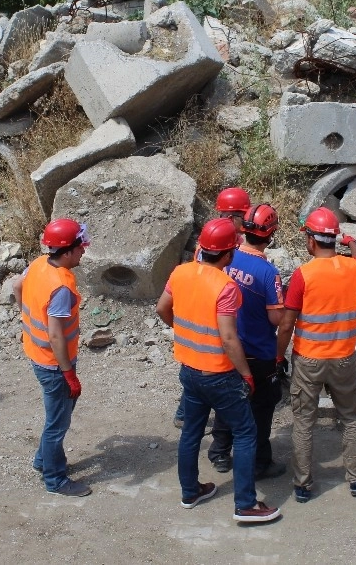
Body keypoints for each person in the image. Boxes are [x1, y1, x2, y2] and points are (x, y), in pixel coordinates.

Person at [157, 218, 280, 524]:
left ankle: (190, 491)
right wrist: (246, 374)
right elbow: (228, 338)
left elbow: (162, 308)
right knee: (247, 431)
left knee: (192, 432)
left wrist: (183, 332)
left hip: (189, 368)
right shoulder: (225, 286)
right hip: (219, 374)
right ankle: (246, 505)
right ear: (228, 254)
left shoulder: (181, 272)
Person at [276, 207, 356, 503]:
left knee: (304, 423)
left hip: (309, 360)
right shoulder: (353, 268)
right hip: (344, 358)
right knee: (350, 418)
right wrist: (350, 241)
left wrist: (279, 357)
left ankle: (303, 485)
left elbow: (287, 323)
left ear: (311, 241)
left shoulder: (304, 275)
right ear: (333, 239)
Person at [13, 218, 92, 497]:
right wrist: (68, 372)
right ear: (68, 251)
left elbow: (16, 286)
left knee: (57, 416)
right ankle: (55, 480)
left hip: (37, 354)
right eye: (80, 247)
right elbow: (57, 335)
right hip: (54, 363)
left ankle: (43, 460)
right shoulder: (60, 287)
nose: (83, 251)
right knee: (57, 423)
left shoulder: (38, 264)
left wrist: (27, 315)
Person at [207, 204, 287, 480]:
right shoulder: (268, 272)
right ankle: (259, 462)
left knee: (228, 400)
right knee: (262, 408)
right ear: (270, 235)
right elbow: (276, 320)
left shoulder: (227, 259)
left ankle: (219, 451)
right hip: (257, 352)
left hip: (226, 348)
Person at [175, 186, 253, 428]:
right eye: (243, 213)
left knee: (195, 370)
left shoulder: (211, 237)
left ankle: (184, 414)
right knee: (211, 372)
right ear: (232, 215)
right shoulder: (226, 243)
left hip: (205, 308)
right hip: (217, 310)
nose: (247, 218)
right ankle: (190, 415)